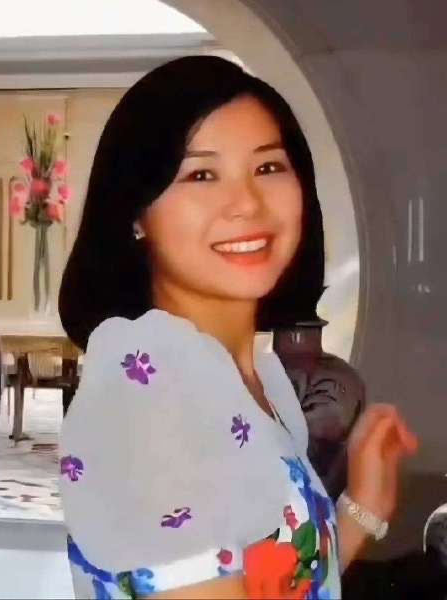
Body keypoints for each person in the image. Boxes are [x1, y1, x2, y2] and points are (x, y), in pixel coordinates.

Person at [58, 56, 418, 599]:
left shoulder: (253, 380)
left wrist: (365, 505)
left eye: (268, 167)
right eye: (201, 175)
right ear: (135, 212)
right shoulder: (152, 393)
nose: (247, 203)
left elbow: (283, 585)